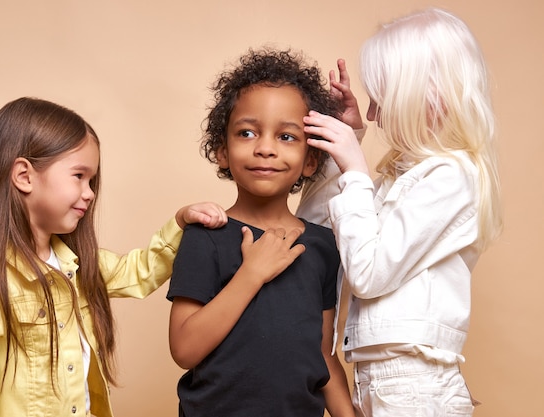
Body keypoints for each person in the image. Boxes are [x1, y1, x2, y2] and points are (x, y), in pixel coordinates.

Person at [0, 97, 228, 417]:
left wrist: (181, 223)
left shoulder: (74, 262)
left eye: (92, 180)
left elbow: (138, 272)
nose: (90, 192)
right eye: (79, 176)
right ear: (24, 176)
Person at [298, 8, 503, 417]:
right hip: (382, 379)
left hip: (414, 385)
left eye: (379, 99)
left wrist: (356, 169)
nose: (372, 114)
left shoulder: (452, 177)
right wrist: (350, 141)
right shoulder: (402, 177)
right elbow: (314, 225)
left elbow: (368, 274)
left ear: (424, 94)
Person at [166, 48, 355, 417]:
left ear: (310, 159)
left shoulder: (322, 246)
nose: (265, 148)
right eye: (247, 132)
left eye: (286, 137)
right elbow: (184, 349)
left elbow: (322, 353)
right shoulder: (206, 234)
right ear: (222, 151)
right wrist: (251, 274)